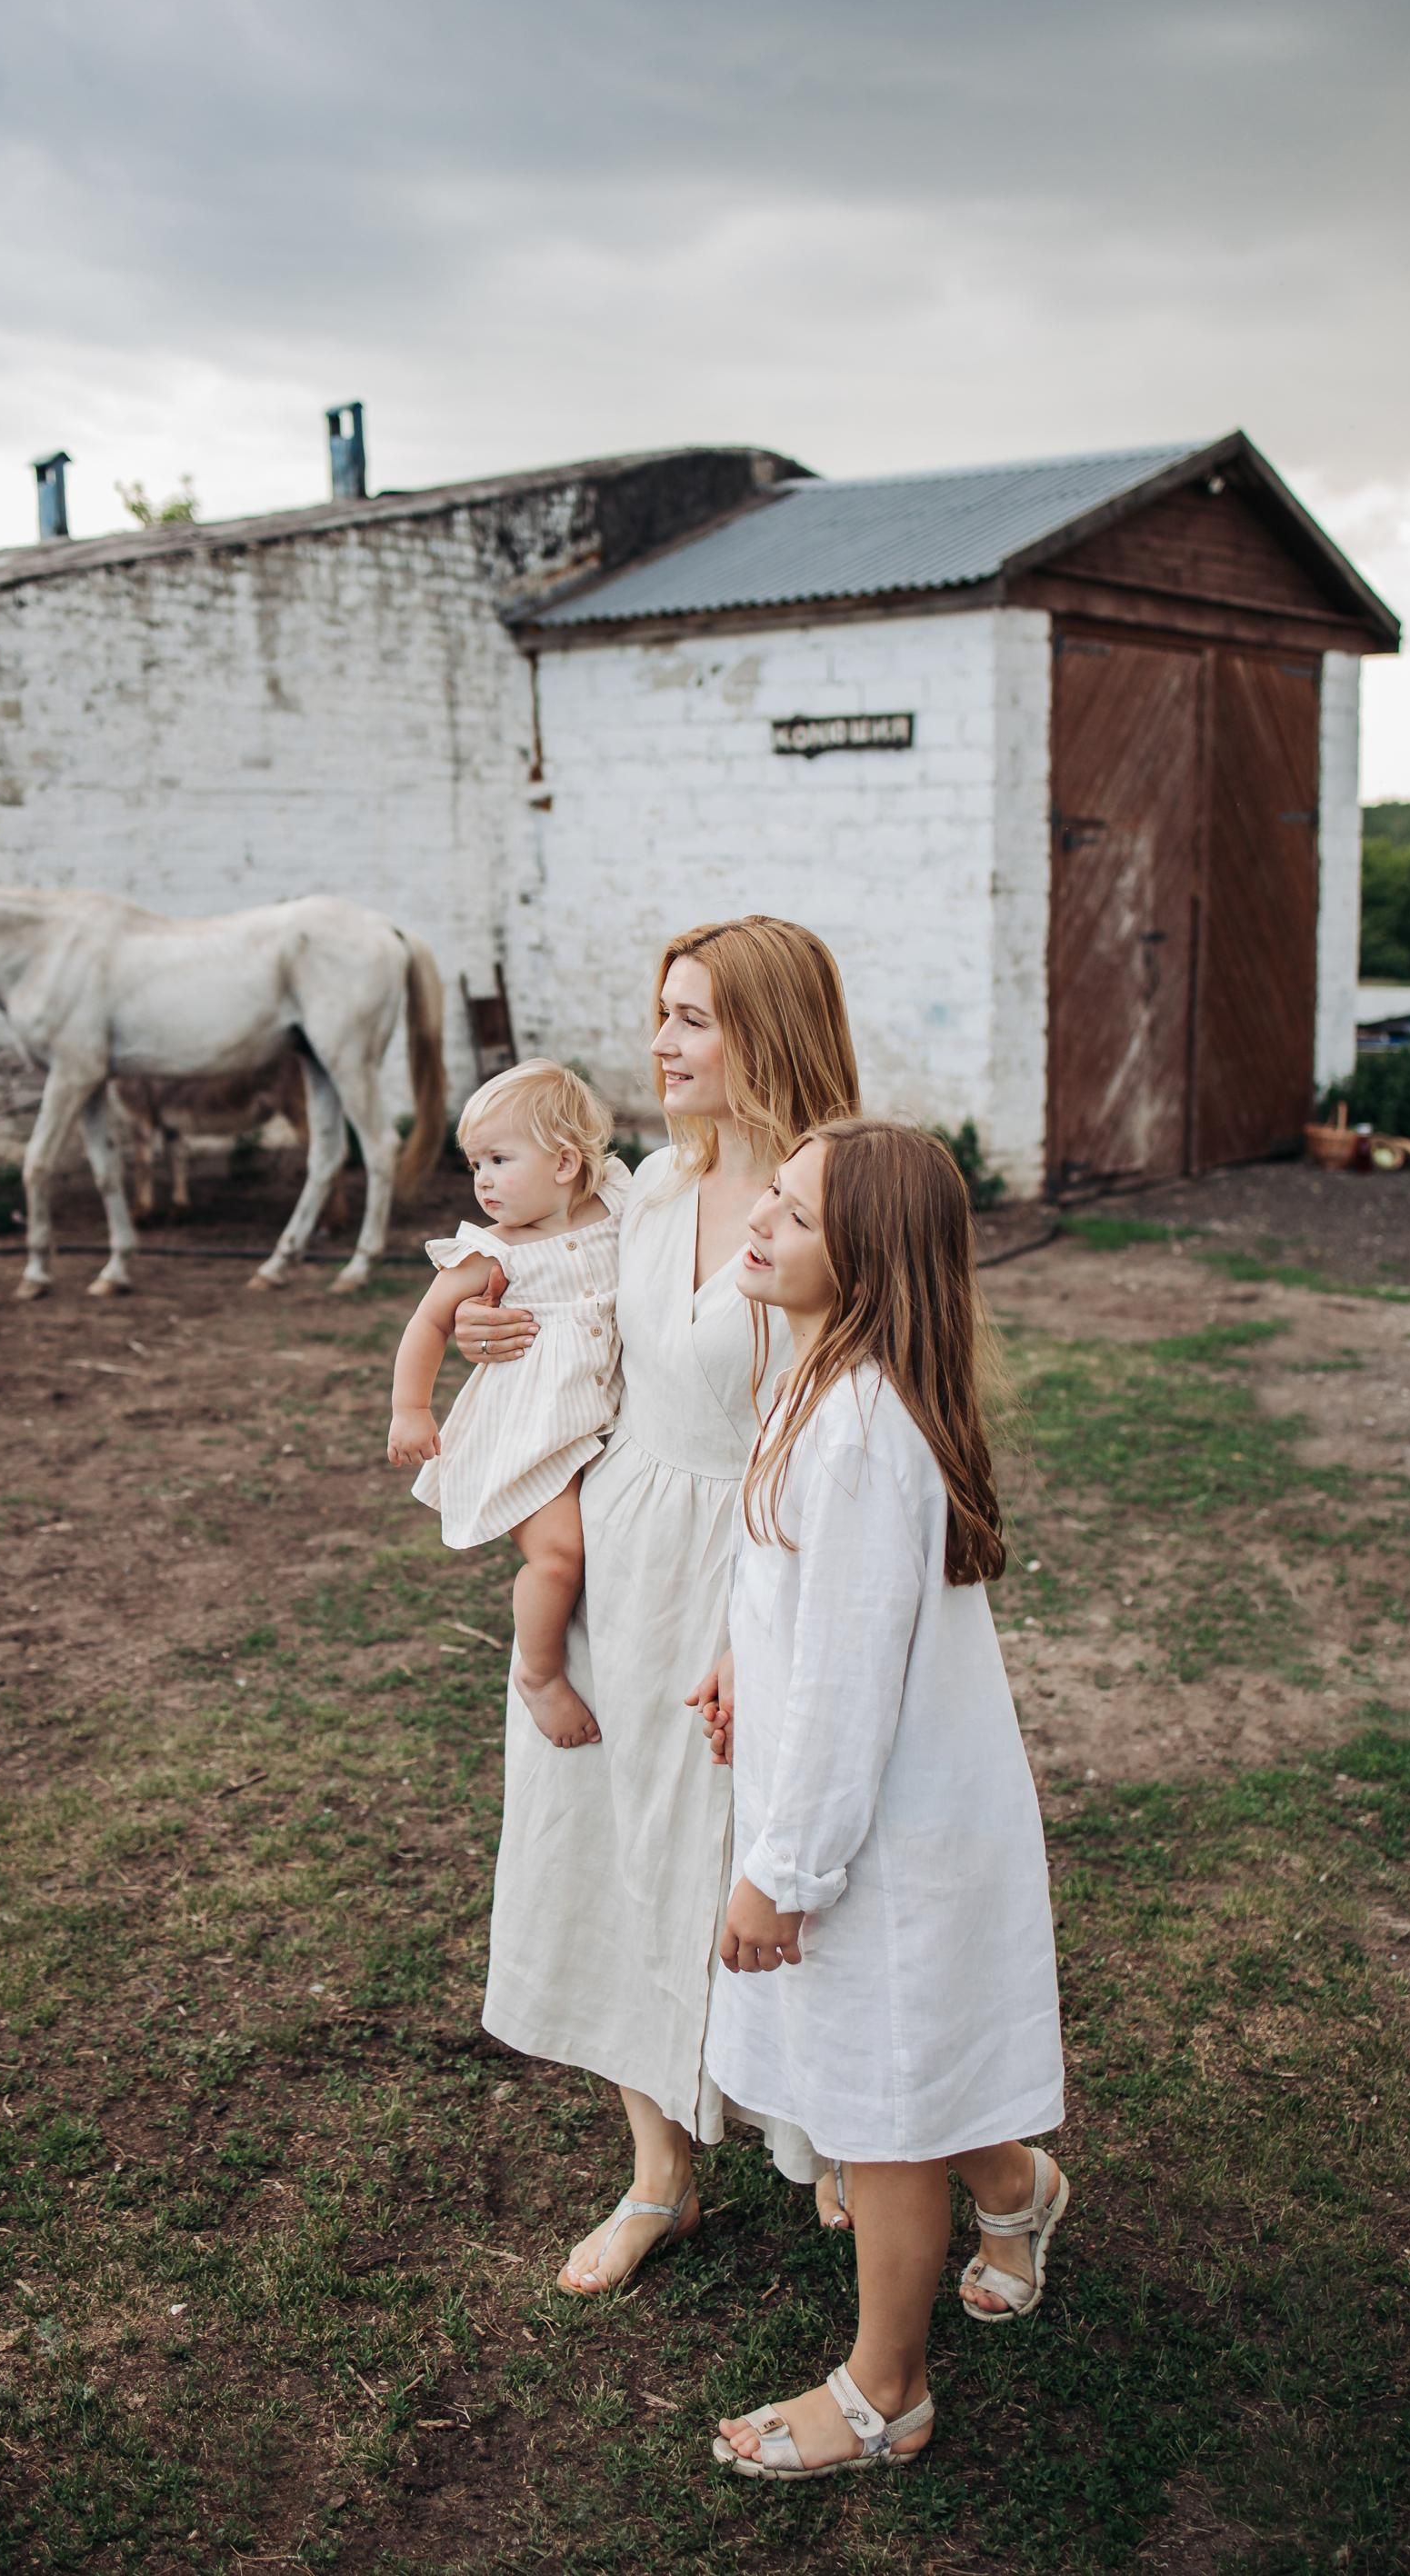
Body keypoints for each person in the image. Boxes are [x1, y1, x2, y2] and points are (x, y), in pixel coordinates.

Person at [455, 917, 864, 2293]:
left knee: (781, 1850)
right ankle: (659, 2173)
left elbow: (850, 1414)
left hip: (765, 1550)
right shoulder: (638, 1192)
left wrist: (770, 1623)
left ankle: (836, 2135)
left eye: (691, 1018)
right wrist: (478, 1320)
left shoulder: (837, 1200)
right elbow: (549, 1290)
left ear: (767, 1031)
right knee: (613, 1844)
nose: (661, 1043)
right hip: (622, 1543)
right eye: (662, 1016)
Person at [703, 1119, 1066, 2481]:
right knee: (903, 2063)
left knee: (884, 2105)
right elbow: (813, 1606)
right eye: (772, 1201)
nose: (760, 1224)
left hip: (879, 1835)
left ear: (861, 1262)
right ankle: (1020, 2190)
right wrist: (743, 1656)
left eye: (791, 1216)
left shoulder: (859, 1427)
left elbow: (854, 1684)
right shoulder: (825, 1381)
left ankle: (887, 2388)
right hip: (869, 1811)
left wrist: (780, 1870)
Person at [387, 1060, 628, 1750]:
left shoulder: (617, 1205)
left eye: (499, 1159)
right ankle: (540, 1674)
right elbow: (427, 1324)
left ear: (564, 1163)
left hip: (607, 1425)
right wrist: (412, 1408)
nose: (482, 1180)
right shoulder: (490, 1254)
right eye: (475, 1165)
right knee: (561, 1555)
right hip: (529, 1434)